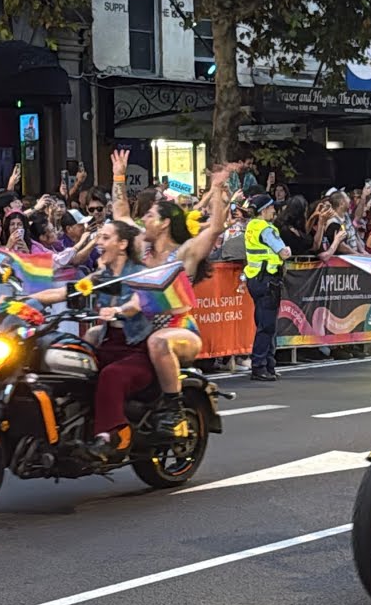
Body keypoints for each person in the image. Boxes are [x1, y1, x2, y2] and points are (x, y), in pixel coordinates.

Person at [110, 149, 231, 424]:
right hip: (139, 327)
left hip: (179, 329)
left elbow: (215, 229)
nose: (144, 220)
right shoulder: (141, 246)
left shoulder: (184, 253)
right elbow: (120, 215)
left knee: (158, 341)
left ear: (164, 223)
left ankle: (173, 407)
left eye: (150, 216)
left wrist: (216, 190)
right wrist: (119, 175)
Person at [33, 221, 155, 462]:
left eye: (105, 238)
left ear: (122, 244)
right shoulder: (102, 276)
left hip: (138, 351)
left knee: (111, 375)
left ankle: (108, 438)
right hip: (109, 345)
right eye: (99, 237)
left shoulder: (140, 274)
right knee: (71, 367)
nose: (98, 243)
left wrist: (119, 309)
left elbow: (137, 304)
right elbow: (65, 293)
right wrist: (25, 300)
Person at [243, 194, 291, 381]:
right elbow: (284, 253)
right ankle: (260, 366)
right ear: (264, 210)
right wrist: (288, 250)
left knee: (264, 323)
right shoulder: (266, 229)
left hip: (256, 279)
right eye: (272, 208)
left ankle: (268, 366)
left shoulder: (251, 226)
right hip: (268, 280)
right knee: (267, 326)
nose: (274, 211)